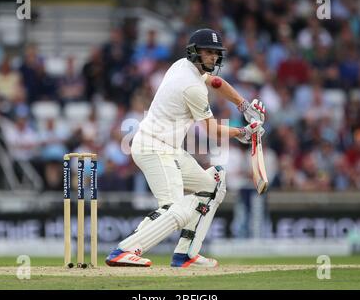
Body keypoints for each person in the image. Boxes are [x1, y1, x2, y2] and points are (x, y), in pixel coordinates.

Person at [105, 29, 266, 267]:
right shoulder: (192, 87)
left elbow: (216, 82)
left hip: (169, 148)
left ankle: (186, 253)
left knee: (213, 185)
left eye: (216, 53)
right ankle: (124, 251)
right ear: (194, 52)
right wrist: (243, 132)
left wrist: (243, 106)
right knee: (176, 209)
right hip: (153, 147)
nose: (213, 58)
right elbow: (212, 130)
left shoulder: (184, 66)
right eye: (208, 52)